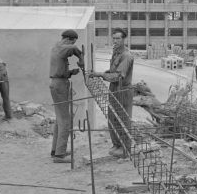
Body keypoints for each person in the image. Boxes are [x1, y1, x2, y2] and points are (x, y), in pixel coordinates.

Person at [89, 28, 134, 156]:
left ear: (124, 39)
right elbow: (112, 71)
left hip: (123, 90)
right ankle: (116, 144)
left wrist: (100, 74)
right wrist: (104, 73)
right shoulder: (116, 52)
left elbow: (118, 76)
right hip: (114, 88)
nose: (115, 41)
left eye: (118, 38)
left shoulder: (126, 55)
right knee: (112, 118)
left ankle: (125, 148)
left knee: (123, 119)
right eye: (114, 38)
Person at [49, 30, 84, 163]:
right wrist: (81, 57)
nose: (73, 44)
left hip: (57, 82)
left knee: (60, 119)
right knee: (66, 120)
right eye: (73, 41)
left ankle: (56, 151)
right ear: (69, 39)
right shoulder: (63, 47)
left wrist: (70, 72)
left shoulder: (56, 48)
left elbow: (58, 68)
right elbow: (74, 48)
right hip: (59, 85)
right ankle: (59, 156)